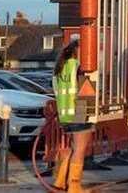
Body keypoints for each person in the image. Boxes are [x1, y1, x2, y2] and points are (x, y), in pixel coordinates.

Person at [52, 39, 93, 193]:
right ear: (78, 51)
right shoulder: (80, 67)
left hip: (65, 114)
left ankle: (60, 180)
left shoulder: (60, 68)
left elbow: (56, 91)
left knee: (73, 147)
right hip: (80, 111)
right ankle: (74, 186)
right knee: (80, 150)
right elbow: (87, 92)